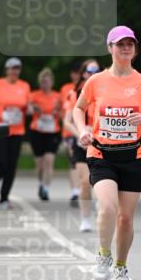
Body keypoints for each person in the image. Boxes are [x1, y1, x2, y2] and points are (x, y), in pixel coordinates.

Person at [72, 26, 141, 280]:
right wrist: (83, 130)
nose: (125, 48)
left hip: (133, 155)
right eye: (120, 44)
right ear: (110, 48)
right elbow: (78, 110)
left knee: (125, 217)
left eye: (129, 44)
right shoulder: (96, 81)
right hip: (101, 153)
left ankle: (121, 267)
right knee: (108, 206)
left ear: (134, 49)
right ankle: (103, 255)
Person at [0, 57, 31, 209]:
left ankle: (4, 198)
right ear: (7, 70)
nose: (15, 71)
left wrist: (30, 110)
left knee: (11, 165)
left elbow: (26, 107)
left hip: (16, 131)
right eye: (12, 68)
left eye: (17, 68)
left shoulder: (24, 86)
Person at [63, 60, 101, 231]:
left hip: (102, 140)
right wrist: (81, 134)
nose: (92, 74)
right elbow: (67, 122)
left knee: (101, 180)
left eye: (96, 71)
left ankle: (102, 206)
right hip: (82, 141)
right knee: (85, 181)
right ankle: (85, 218)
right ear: (84, 74)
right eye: (89, 71)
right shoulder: (75, 93)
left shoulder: (106, 91)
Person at [27, 67, 62, 201]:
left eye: (46, 82)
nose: (44, 85)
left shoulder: (57, 96)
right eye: (42, 82)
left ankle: (46, 189)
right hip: (37, 131)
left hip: (52, 132)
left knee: (49, 161)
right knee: (40, 164)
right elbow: (28, 111)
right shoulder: (34, 95)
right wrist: (35, 109)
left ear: (51, 82)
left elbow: (63, 114)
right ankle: (41, 183)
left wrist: (56, 113)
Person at [60, 60, 83, 204]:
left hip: (87, 130)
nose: (76, 76)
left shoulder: (91, 87)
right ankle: (75, 191)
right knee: (74, 162)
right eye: (75, 73)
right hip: (70, 132)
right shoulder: (67, 89)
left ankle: (84, 188)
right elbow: (65, 109)